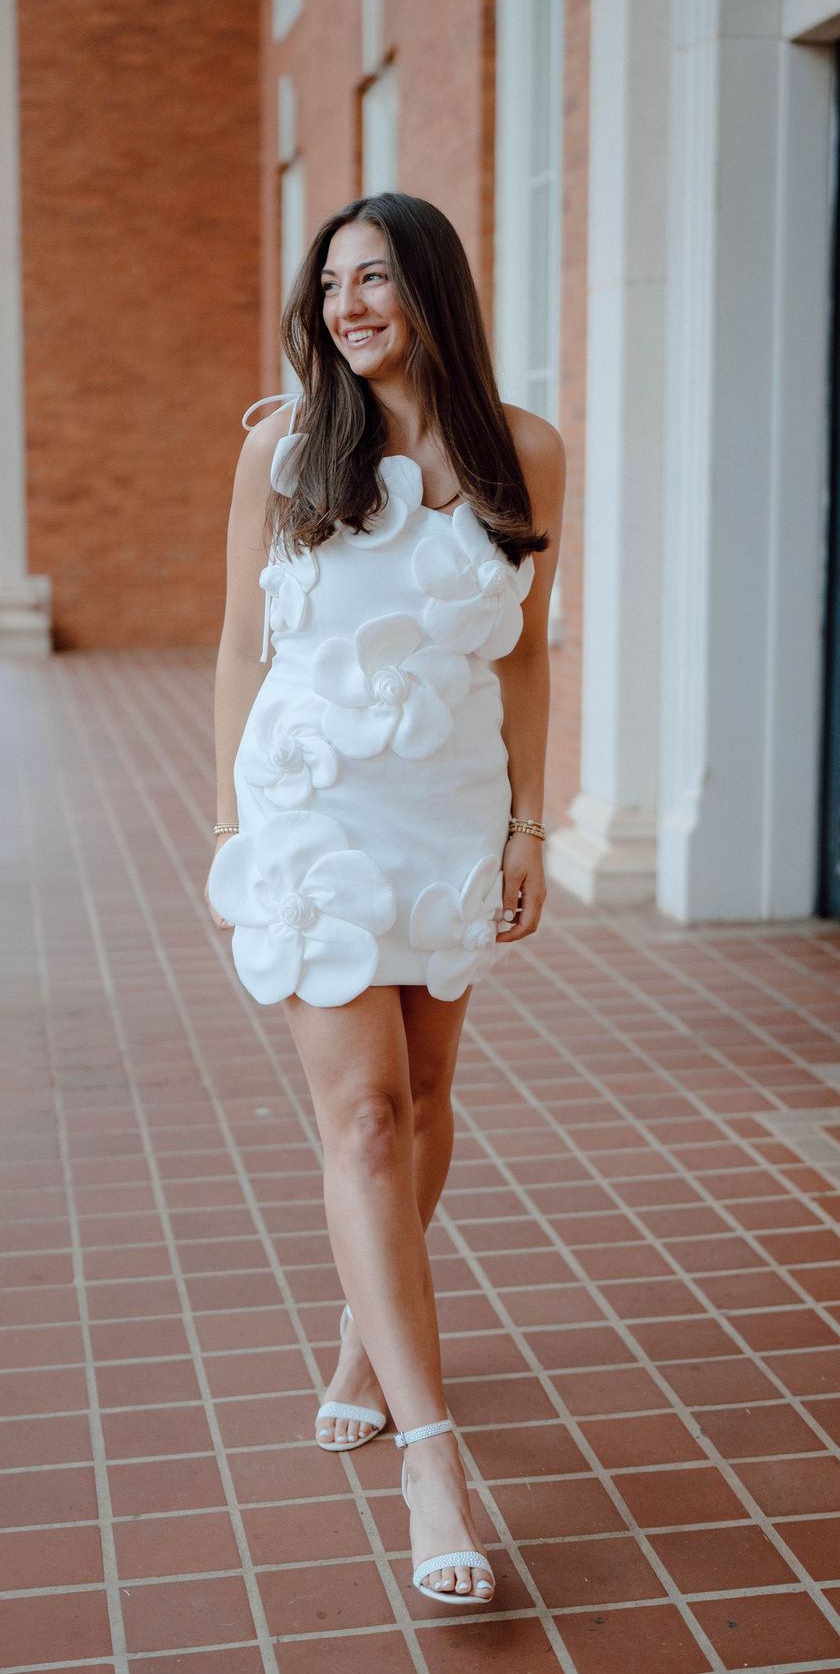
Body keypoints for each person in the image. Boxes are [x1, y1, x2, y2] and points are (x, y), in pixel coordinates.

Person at [207, 191, 564, 1606]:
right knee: (358, 1115)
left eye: (375, 278)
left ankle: (367, 1336)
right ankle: (433, 1461)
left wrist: (532, 824)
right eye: (331, 282)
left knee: (420, 1098)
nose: (349, 303)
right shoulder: (283, 450)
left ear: (433, 291)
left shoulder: (522, 451)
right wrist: (234, 829)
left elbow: (529, 654)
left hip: (450, 813)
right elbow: (239, 644)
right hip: (312, 815)